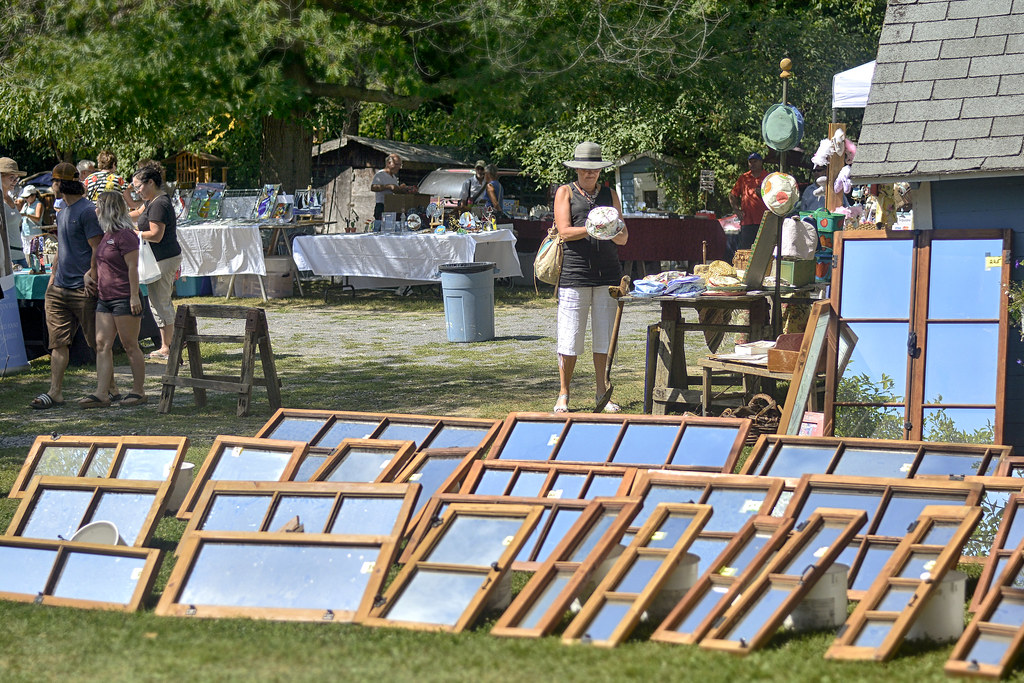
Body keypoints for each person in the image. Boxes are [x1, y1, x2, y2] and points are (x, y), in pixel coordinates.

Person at [553, 141, 628, 414]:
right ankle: (564, 393)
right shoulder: (565, 192)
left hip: (608, 273)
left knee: (604, 337)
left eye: (594, 170)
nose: (590, 173)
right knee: (569, 337)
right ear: (576, 169)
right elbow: (564, 232)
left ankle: (602, 392)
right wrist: (593, 228)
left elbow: (623, 237)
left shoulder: (610, 194)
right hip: (575, 273)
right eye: (585, 169)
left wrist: (612, 231)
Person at [30, 162, 106, 409]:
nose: (50, 187)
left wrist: (92, 275)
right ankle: (55, 392)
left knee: (97, 342)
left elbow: (97, 247)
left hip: (83, 290)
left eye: (53, 182)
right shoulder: (62, 212)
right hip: (59, 289)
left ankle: (110, 389)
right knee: (58, 343)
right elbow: (62, 250)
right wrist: (52, 281)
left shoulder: (87, 211)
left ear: (60, 183)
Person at [78, 192, 147, 408]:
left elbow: (132, 268)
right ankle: (102, 392)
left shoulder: (125, 235)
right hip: (105, 298)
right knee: (101, 344)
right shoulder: (106, 235)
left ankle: (138, 390)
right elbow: (102, 264)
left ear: (109, 209)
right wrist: (89, 276)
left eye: (98, 207)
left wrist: (134, 295)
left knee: (129, 345)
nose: (95, 211)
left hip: (124, 297)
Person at [132, 163, 180, 361]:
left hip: (164, 259)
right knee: (158, 302)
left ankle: (170, 347)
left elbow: (156, 235)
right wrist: (114, 216)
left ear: (151, 182)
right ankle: (167, 345)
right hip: (160, 259)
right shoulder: (152, 200)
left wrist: (134, 233)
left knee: (161, 303)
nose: (137, 191)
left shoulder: (159, 203)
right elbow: (135, 213)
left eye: (139, 187)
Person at [729, 152, 770, 255]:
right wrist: (737, 210)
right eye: (750, 162)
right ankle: (745, 271)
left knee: (763, 251)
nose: (752, 164)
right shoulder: (744, 178)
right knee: (745, 252)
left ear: (761, 162)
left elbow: (776, 197)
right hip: (747, 221)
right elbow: (732, 195)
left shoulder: (768, 177)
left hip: (764, 221)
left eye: (755, 161)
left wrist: (763, 194)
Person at [370, 153, 418, 221]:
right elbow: (373, 187)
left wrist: (403, 189)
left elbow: (395, 190)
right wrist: (388, 186)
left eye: (400, 165)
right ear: (388, 163)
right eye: (397, 164)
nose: (399, 167)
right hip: (382, 206)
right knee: (381, 228)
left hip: (392, 206)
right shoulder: (380, 174)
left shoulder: (393, 177)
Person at [0, 157, 27, 268]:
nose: (15, 181)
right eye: (12, 177)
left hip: (20, 254)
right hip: (7, 258)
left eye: (17, 178)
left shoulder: (10, 198)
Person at [16, 185, 44, 261]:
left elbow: (38, 218)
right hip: (25, 233)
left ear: (34, 195)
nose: (26, 199)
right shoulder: (25, 205)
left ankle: (40, 270)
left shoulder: (39, 204)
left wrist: (27, 215)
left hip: (35, 233)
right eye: (25, 197)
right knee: (27, 255)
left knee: (38, 255)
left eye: (27, 197)